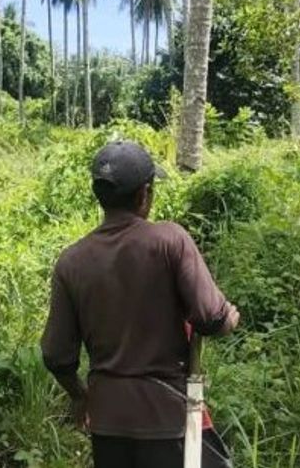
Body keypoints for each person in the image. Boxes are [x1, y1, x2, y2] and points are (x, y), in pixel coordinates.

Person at [41, 141, 240, 468]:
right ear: (144, 195)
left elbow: (56, 355)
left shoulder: (71, 261)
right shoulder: (170, 240)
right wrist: (229, 319)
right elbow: (210, 317)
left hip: (107, 424)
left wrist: (80, 396)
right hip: (168, 419)